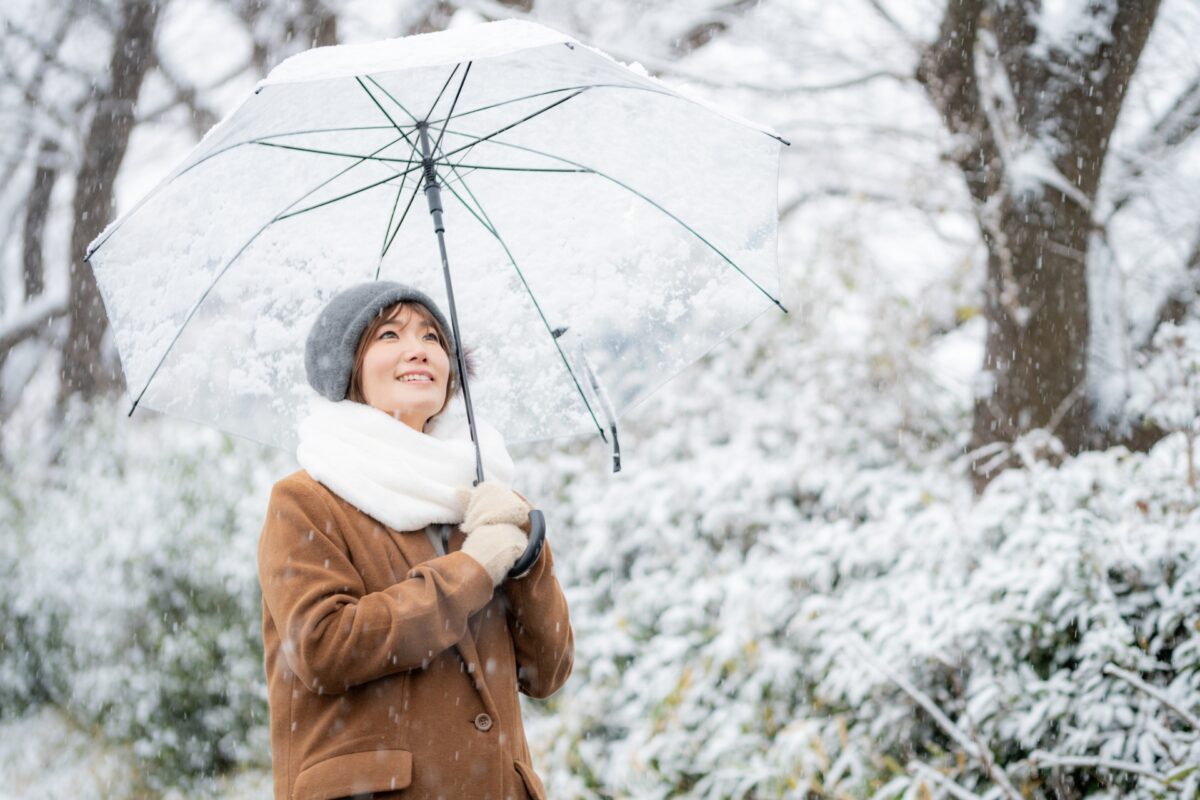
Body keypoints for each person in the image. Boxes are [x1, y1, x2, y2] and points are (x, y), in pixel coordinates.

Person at [257, 281, 574, 800]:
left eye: (433, 337)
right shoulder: (305, 500)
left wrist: (524, 558)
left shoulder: (480, 494)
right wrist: (472, 570)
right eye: (389, 334)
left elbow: (549, 670)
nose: (419, 348)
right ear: (347, 367)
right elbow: (325, 647)